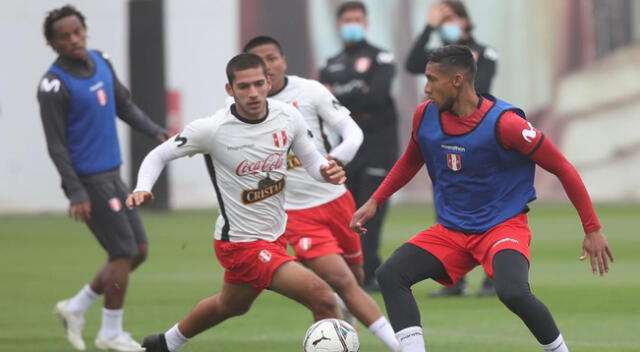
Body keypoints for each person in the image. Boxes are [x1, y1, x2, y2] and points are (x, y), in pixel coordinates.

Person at [351, 45, 614, 352]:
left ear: (458, 80)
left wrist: (592, 228)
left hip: (502, 228)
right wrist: (375, 200)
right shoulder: (425, 115)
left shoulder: (506, 123)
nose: (426, 87)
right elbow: (411, 159)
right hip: (450, 231)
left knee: (512, 292)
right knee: (390, 274)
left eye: (432, 79)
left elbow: (562, 167)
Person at [130, 53, 345, 352]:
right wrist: (143, 187)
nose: (253, 93)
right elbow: (159, 154)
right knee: (323, 298)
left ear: (269, 82)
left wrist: (326, 172)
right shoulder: (212, 129)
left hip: (275, 235)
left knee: (231, 305)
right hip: (242, 244)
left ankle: (164, 344)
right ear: (230, 89)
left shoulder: (288, 116)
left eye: (259, 83)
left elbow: (311, 161)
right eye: (244, 87)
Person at [243, 35, 400, 351]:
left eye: (272, 58)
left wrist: (336, 159)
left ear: (284, 61)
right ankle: (401, 346)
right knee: (341, 281)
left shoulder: (310, 91)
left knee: (354, 279)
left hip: (337, 201)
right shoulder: (243, 111)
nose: (268, 66)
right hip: (296, 213)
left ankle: (342, 332)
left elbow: (352, 132)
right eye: (259, 61)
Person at [37, 5, 168, 351]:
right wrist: (74, 191)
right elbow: (56, 146)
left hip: (113, 172)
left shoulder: (101, 60)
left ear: (85, 30)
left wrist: (156, 131)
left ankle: (75, 308)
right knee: (123, 251)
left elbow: (123, 105)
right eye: (64, 37)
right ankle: (110, 333)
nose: (73, 41)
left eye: (77, 32)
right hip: (90, 181)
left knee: (138, 251)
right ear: (52, 43)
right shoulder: (53, 85)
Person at [406, 0, 499, 298]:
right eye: (442, 18)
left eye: (451, 17)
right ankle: (454, 281)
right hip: (447, 141)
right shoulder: (436, 59)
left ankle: (496, 277)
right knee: (447, 207)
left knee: (488, 208)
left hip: (480, 138)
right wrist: (429, 27)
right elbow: (410, 64)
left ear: (464, 20)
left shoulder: (484, 53)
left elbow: (478, 87)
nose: (447, 23)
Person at [319, 1, 398, 292]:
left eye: (357, 19)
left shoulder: (382, 57)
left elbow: (376, 96)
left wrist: (343, 93)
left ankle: (371, 271)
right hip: (348, 148)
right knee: (347, 211)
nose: (352, 23)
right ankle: (353, 270)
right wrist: (356, 88)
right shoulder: (331, 63)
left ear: (365, 22)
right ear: (340, 25)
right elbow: (325, 104)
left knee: (372, 209)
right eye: (347, 19)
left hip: (380, 143)